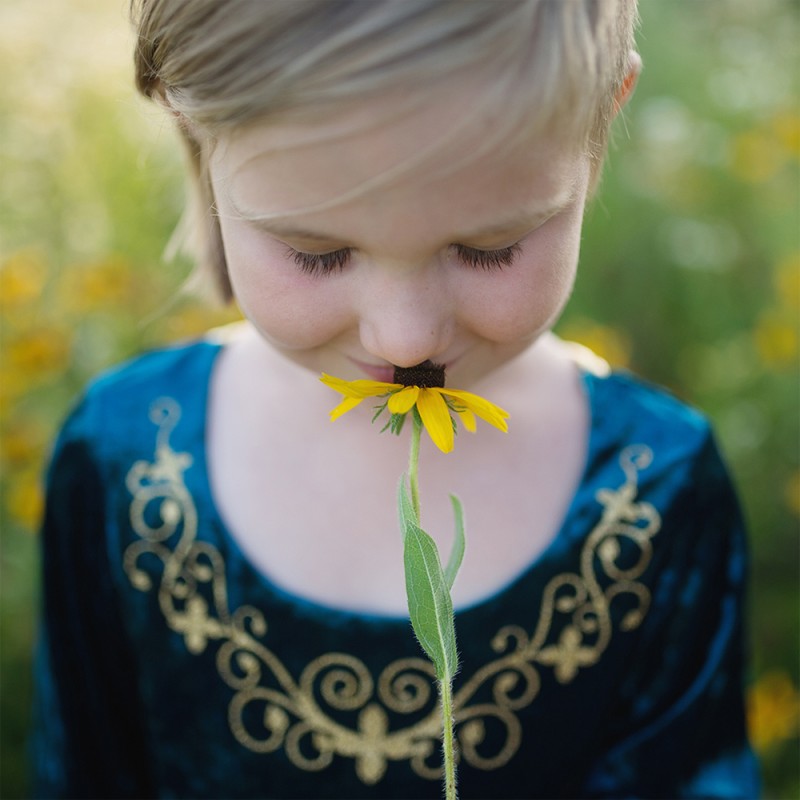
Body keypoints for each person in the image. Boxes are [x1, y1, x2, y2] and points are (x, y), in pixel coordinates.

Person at [32, 1, 760, 797]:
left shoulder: (654, 489)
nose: (405, 341)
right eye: (317, 254)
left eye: (490, 250)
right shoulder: (125, 462)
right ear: (196, 130)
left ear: (603, 118)